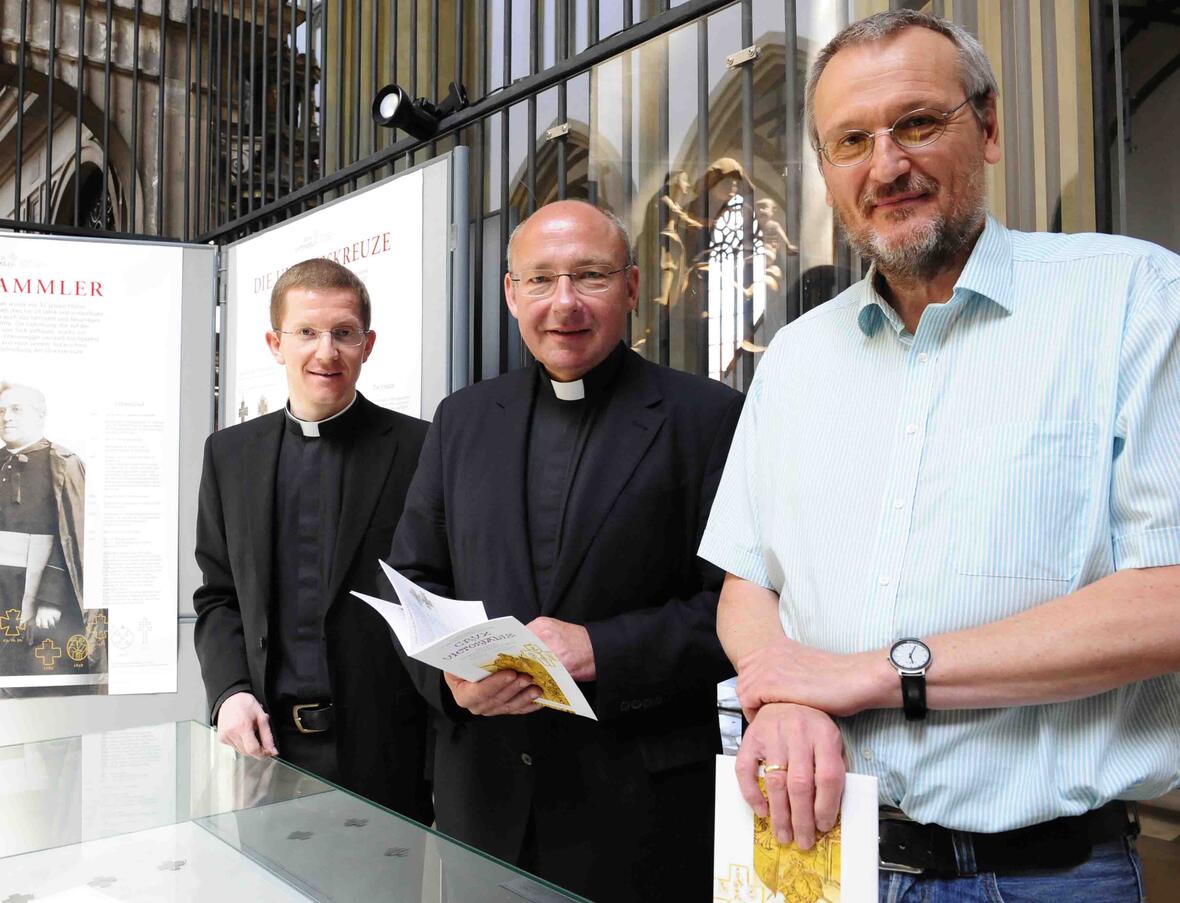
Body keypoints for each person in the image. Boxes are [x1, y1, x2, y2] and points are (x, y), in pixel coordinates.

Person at [699, 10, 1180, 900]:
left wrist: (871, 674)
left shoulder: (1132, 298)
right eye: (851, 140)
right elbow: (745, 579)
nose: (886, 165)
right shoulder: (797, 356)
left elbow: (1170, 598)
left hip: (1039, 874)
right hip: (823, 857)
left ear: (988, 127)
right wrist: (785, 691)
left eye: (918, 123)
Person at [388, 199, 743, 902]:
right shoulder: (462, 418)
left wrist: (601, 649)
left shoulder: (706, 417)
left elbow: (738, 607)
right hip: (483, 804)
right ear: (512, 293)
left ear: (634, 287)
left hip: (640, 812)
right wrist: (452, 686)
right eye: (542, 280)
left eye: (591, 276)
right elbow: (413, 580)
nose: (565, 303)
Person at [193, 258, 432, 823]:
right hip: (266, 745)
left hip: (386, 751)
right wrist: (228, 693)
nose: (326, 352)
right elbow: (218, 595)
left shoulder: (421, 450)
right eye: (306, 332)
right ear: (275, 343)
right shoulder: (229, 455)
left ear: (367, 345)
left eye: (343, 333)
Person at [0, 382, 105, 694]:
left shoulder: (64, 463)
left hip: (47, 597)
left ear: (39, 416)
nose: (6, 417)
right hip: (3, 589)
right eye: (2, 411)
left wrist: (50, 597)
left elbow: (76, 537)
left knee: (44, 688)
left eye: (16, 409)